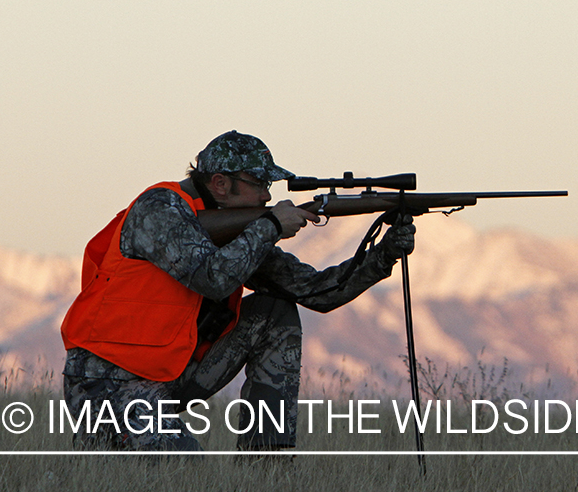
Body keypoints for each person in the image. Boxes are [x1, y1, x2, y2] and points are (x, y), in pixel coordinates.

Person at [59, 130, 414, 451]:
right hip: (104, 383)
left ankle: (265, 473)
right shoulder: (159, 210)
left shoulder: (239, 232)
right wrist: (270, 226)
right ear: (219, 184)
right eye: (258, 183)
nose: (267, 195)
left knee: (275, 314)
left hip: (171, 373)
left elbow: (318, 292)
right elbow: (211, 278)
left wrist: (382, 256)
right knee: (176, 466)